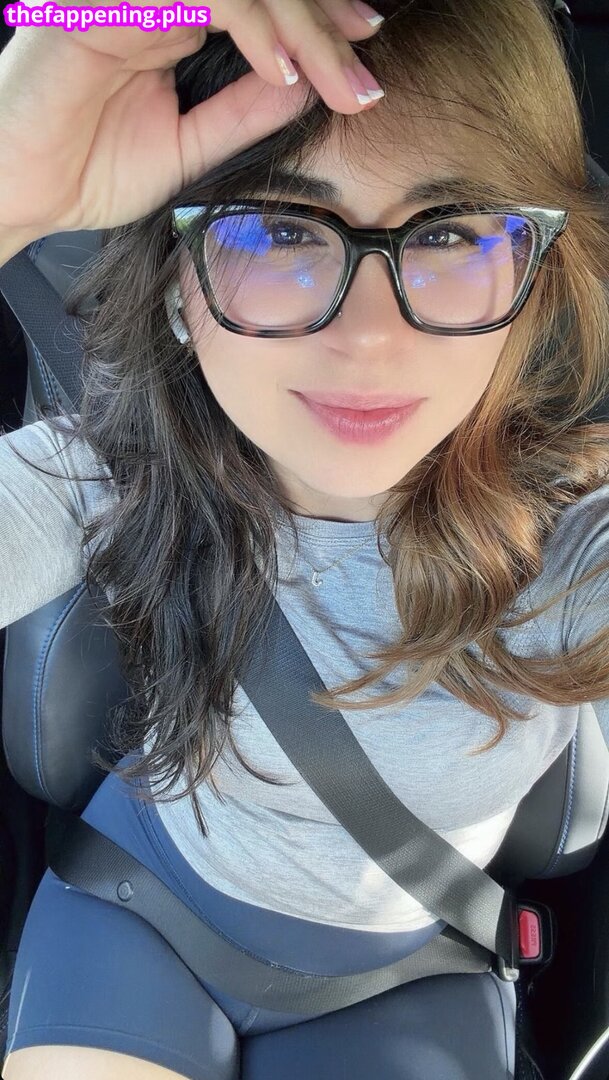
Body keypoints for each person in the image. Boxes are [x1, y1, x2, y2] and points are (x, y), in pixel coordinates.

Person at [2, 0, 609, 1076]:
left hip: (411, 977)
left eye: (450, 231)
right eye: (279, 229)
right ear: (178, 285)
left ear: (529, 282)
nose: (369, 337)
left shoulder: (570, 543)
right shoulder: (105, 474)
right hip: (134, 911)